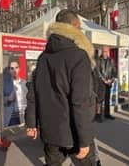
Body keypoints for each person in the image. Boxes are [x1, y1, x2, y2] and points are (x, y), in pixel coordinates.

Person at [25, 9, 98, 165]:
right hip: (74, 132)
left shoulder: (43, 57)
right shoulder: (79, 56)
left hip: (50, 133)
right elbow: (80, 101)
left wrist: (31, 123)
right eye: (80, 27)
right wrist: (85, 140)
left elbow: (33, 93)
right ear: (75, 26)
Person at [94, 47, 115, 122]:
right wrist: (104, 80)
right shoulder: (98, 60)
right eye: (103, 51)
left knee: (107, 99)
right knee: (99, 100)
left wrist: (111, 79)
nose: (104, 53)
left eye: (106, 51)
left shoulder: (111, 61)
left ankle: (107, 114)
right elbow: (98, 72)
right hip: (100, 83)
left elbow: (114, 72)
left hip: (108, 83)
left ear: (108, 52)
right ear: (101, 52)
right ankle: (98, 115)